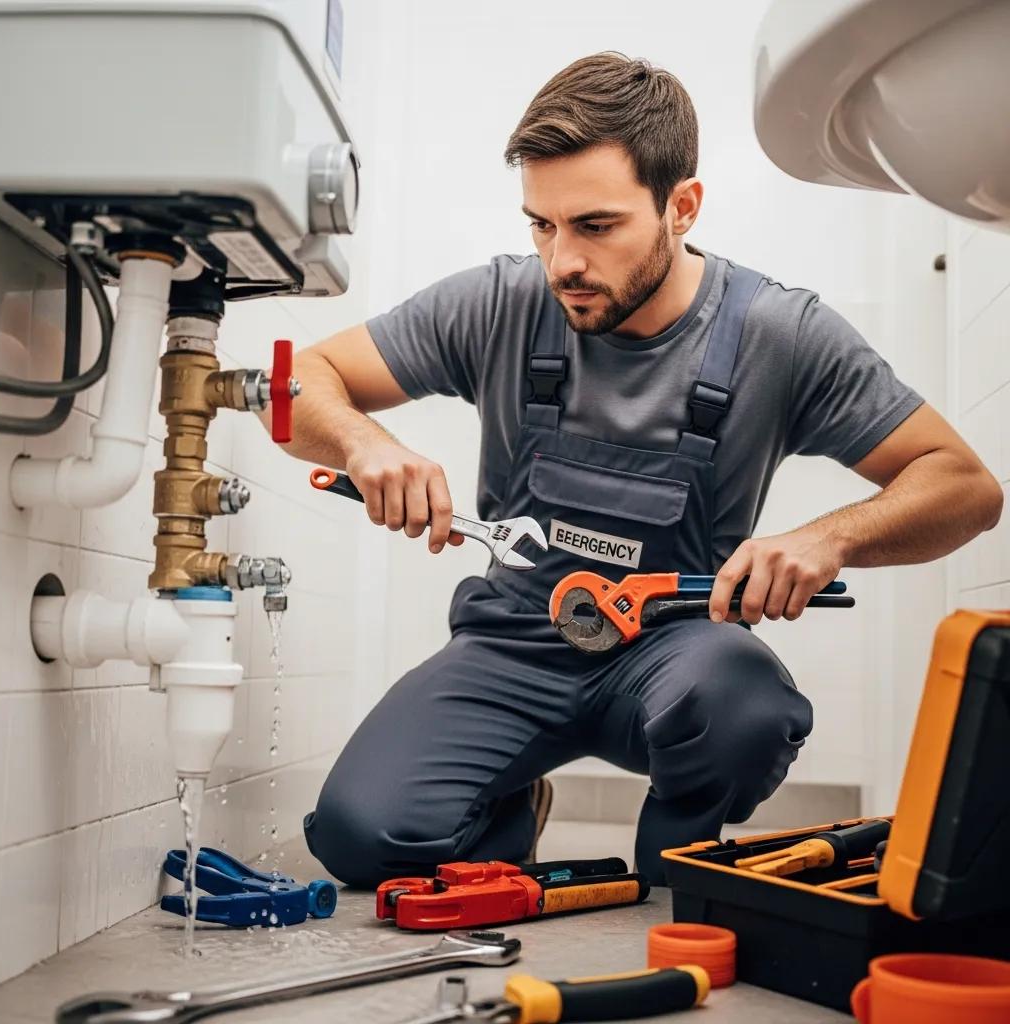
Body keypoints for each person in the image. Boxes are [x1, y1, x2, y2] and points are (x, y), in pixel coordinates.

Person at [279, 53, 1002, 886]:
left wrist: (828, 538)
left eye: (595, 225)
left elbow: (965, 487)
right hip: (514, 646)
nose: (562, 262)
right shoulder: (501, 302)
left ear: (681, 207)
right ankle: (507, 808)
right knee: (360, 836)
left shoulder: (779, 334)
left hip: (677, 656)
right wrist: (364, 443)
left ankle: (677, 855)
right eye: (542, 226)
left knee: (744, 708)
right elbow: (297, 383)